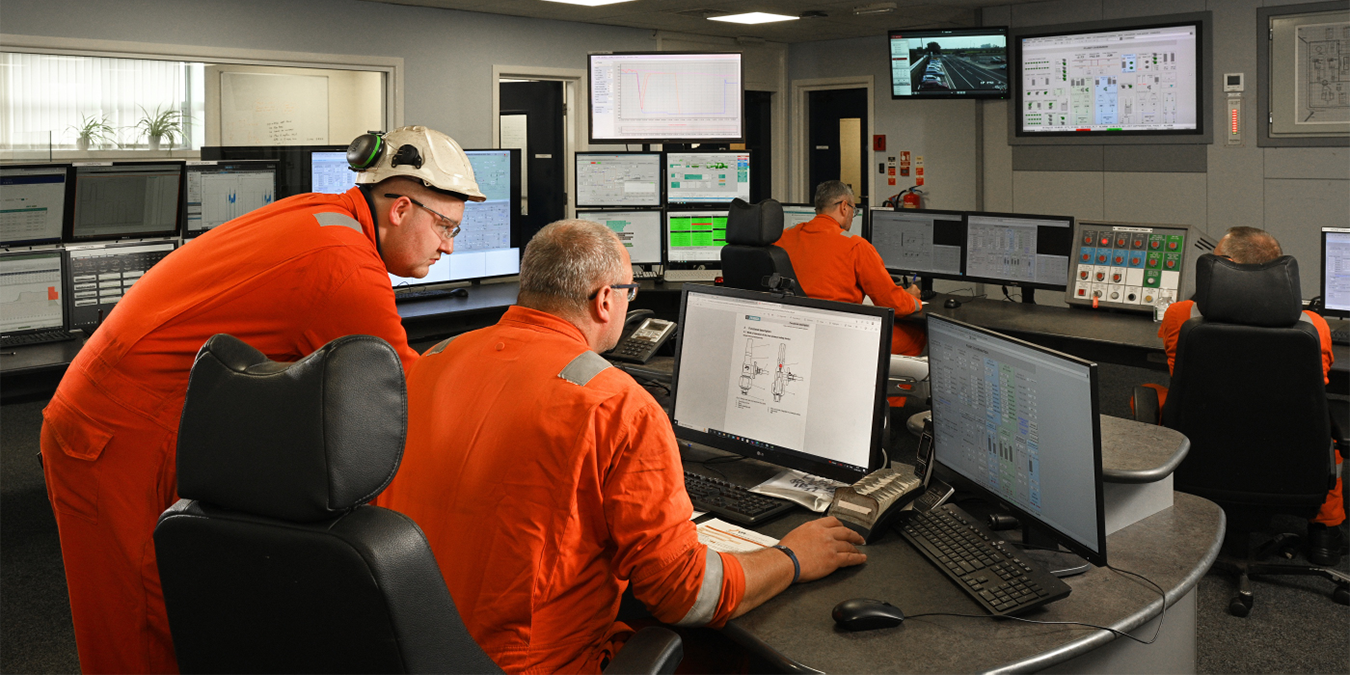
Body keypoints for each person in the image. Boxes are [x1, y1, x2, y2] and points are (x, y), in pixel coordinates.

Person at [40, 125, 483, 674]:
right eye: (445, 226)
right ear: (399, 209)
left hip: (156, 414)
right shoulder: (342, 263)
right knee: (141, 624)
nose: (449, 245)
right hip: (114, 431)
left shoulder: (323, 215)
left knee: (184, 605)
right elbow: (401, 402)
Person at [377, 219, 867, 674]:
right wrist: (793, 557)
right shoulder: (616, 405)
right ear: (604, 301)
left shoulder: (430, 364)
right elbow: (686, 594)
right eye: (629, 293)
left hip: (410, 647)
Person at [1149, 226, 1343, 565]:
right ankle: (1325, 534)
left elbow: (1179, 374)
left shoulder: (1181, 316)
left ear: (1224, 266)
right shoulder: (1315, 327)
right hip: (1286, 457)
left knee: (1152, 396)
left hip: (1202, 454)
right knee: (1321, 427)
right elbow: (1316, 387)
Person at [775, 180, 925, 356]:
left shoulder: (783, 238)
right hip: (839, 338)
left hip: (792, 332)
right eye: (854, 211)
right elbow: (893, 304)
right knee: (918, 336)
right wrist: (913, 299)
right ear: (844, 207)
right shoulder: (856, 246)